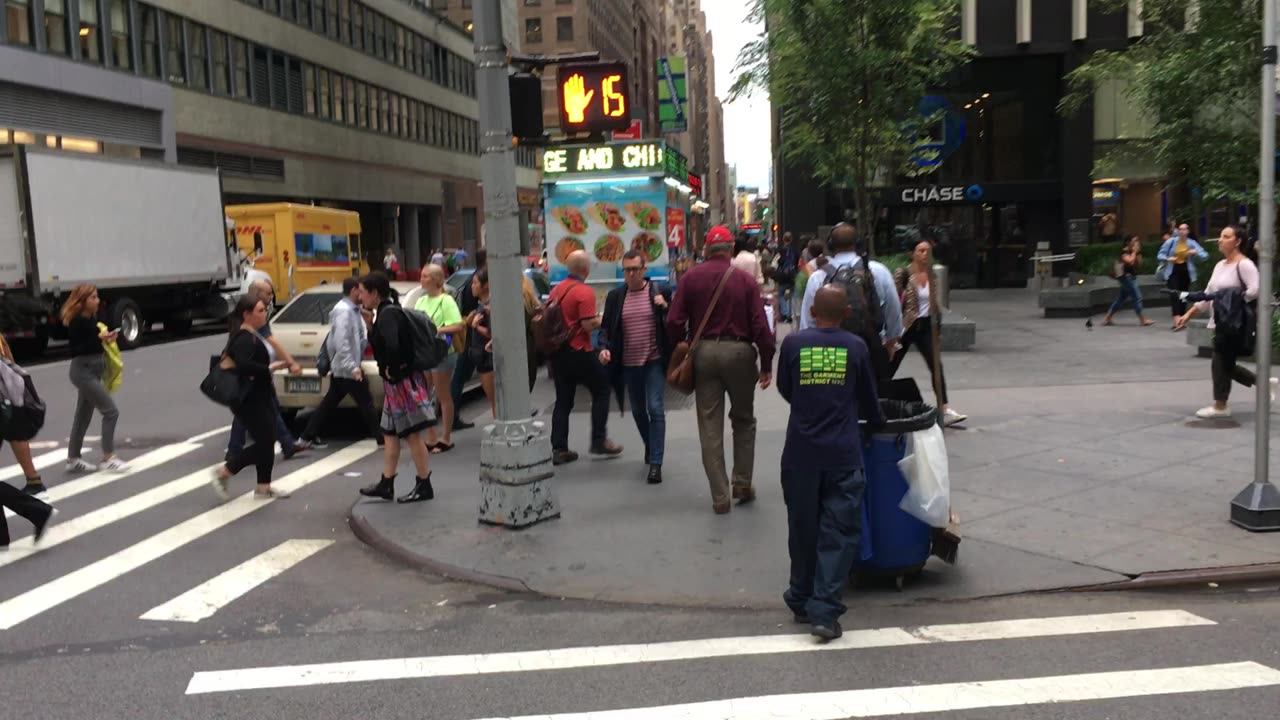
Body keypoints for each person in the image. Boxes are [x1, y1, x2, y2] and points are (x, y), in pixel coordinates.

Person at [778, 286, 883, 641]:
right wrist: (877, 423)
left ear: (811, 310)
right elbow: (869, 398)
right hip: (842, 454)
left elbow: (785, 389)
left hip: (800, 454)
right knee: (837, 533)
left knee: (802, 529)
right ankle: (824, 611)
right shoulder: (855, 347)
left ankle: (801, 596)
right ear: (847, 313)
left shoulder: (792, 345)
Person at [666, 225, 775, 515]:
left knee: (709, 425)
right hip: (739, 353)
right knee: (743, 419)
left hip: (703, 353)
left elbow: (674, 321)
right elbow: (761, 326)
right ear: (730, 251)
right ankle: (742, 482)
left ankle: (719, 496)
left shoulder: (690, 278)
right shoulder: (744, 280)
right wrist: (766, 363)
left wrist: (685, 345)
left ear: (705, 249)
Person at [1175, 226, 1275, 418]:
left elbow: (1256, 289)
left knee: (1219, 362)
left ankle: (1221, 405)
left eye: (1226, 236)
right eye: (1220, 236)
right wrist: (1190, 313)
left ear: (1237, 242)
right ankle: (1262, 383)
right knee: (1225, 363)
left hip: (1235, 323)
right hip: (1220, 321)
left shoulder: (1244, 265)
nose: (1220, 240)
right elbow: (1209, 294)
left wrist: (1233, 300)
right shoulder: (1220, 265)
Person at [358, 272, 436, 503]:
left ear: (374, 294)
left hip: (401, 383)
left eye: (362, 292)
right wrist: (370, 326)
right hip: (396, 384)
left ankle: (424, 484)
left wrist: (392, 369)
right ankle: (387, 482)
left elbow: (392, 346)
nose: (360, 296)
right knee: (390, 434)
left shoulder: (388, 315)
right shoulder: (383, 313)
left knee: (411, 435)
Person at [600, 250, 672, 484]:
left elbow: (675, 323)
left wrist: (665, 307)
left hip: (654, 360)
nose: (630, 274)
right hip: (629, 363)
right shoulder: (615, 297)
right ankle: (650, 447)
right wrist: (604, 348)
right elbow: (606, 329)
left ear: (644, 270)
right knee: (639, 411)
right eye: (626, 270)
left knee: (656, 407)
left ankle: (656, 464)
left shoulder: (659, 292)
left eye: (634, 269)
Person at [799, 224, 904, 383]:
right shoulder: (878, 271)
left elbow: (808, 321)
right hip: (869, 347)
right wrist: (891, 342)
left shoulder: (818, 277)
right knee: (871, 398)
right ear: (858, 243)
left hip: (829, 352)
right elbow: (893, 311)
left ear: (830, 245)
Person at [211, 296, 292, 501]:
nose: (264, 313)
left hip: (260, 395)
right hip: (249, 399)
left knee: (268, 439)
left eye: (264, 310)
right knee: (265, 442)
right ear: (247, 314)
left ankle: (263, 487)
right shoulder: (244, 338)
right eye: (259, 310)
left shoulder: (252, 335)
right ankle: (225, 471)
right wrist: (269, 368)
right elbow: (243, 365)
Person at [548, 251, 623, 466]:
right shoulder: (584, 292)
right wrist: (603, 319)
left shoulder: (557, 290)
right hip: (579, 349)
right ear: (586, 270)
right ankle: (599, 440)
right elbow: (587, 325)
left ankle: (559, 448)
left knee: (563, 401)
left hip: (559, 353)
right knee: (601, 389)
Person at [226, 279, 309, 461]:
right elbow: (270, 340)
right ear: (256, 294)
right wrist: (289, 362)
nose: (272, 297)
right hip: (251, 373)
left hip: (257, 372)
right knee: (247, 411)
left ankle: (287, 444)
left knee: (270, 406)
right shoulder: (253, 315)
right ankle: (235, 453)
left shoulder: (252, 312)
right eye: (268, 293)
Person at [298, 277, 382, 448]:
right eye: (360, 290)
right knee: (366, 403)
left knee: (329, 404)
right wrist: (353, 367)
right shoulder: (343, 311)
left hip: (344, 367)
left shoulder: (353, 310)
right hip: (347, 368)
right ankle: (381, 438)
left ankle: (306, 437)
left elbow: (356, 339)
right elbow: (341, 341)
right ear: (353, 291)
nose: (363, 294)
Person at [891, 239, 968, 426]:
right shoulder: (903, 274)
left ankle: (944, 408)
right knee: (890, 365)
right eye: (921, 251)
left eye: (928, 251)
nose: (925, 254)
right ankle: (873, 400)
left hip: (927, 326)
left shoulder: (932, 274)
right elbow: (893, 301)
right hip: (907, 326)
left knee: (936, 366)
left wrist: (937, 326)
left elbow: (935, 304)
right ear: (913, 254)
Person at [62, 284, 128, 473]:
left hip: (93, 370)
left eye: (97, 297)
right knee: (110, 411)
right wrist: (100, 338)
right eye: (93, 298)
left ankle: (73, 458)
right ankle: (108, 457)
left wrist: (106, 338)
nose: (97, 301)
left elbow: (94, 343)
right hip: (83, 372)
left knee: (83, 415)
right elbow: (76, 350)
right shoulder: (77, 322)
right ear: (82, 302)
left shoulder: (92, 318)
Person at [415, 264, 465, 453]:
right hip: (424, 353)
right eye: (421, 275)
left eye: (425, 276)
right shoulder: (421, 301)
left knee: (443, 394)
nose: (422, 279)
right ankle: (431, 436)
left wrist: (436, 330)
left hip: (442, 352)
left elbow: (458, 325)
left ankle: (445, 437)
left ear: (436, 280)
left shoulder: (446, 301)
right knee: (424, 395)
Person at [450, 249, 487, 430]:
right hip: (472, 337)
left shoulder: (472, 280)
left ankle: (452, 416)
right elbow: (471, 312)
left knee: (461, 377)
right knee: (460, 377)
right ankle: (452, 417)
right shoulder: (477, 282)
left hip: (471, 337)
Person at [1158, 223, 1210, 329]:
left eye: (1184, 229)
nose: (1182, 231)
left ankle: (1181, 319)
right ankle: (1177, 319)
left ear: (1188, 231)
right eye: (1180, 229)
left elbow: (1205, 256)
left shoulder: (1192, 243)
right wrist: (1168, 259)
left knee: (1183, 295)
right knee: (1174, 293)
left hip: (1186, 271)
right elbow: (1160, 255)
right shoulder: (1171, 242)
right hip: (1172, 271)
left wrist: (1195, 253)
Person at [1103, 236, 1156, 328]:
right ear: (1128, 242)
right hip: (1126, 278)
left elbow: (1139, 264)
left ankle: (1108, 318)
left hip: (1130, 278)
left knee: (1121, 299)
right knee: (1137, 297)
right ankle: (1143, 320)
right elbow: (1130, 261)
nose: (1136, 243)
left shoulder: (1132, 252)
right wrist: (1134, 251)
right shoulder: (1124, 252)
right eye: (1134, 241)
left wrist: (1137, 252)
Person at [467, 270, 497, 419]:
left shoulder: (489, 307)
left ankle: (500, 430)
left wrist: (476, 326)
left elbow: (494, 334)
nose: (472, 286)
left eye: (475, 283)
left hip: (488, 358)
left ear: (485, 286)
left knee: (495, 400)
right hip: (482, 358)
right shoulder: (482, 305)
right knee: (494, 400)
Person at [774, 233, 799, 323]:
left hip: (782, 276)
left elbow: (775, 263)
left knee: (781, 295)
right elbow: (797, 263)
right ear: (791, 239)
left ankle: (784, 314)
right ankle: (791, 314)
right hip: (792, 275)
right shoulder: (795, 250)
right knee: (792, 294)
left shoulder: (779, 250)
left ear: (783, 239)